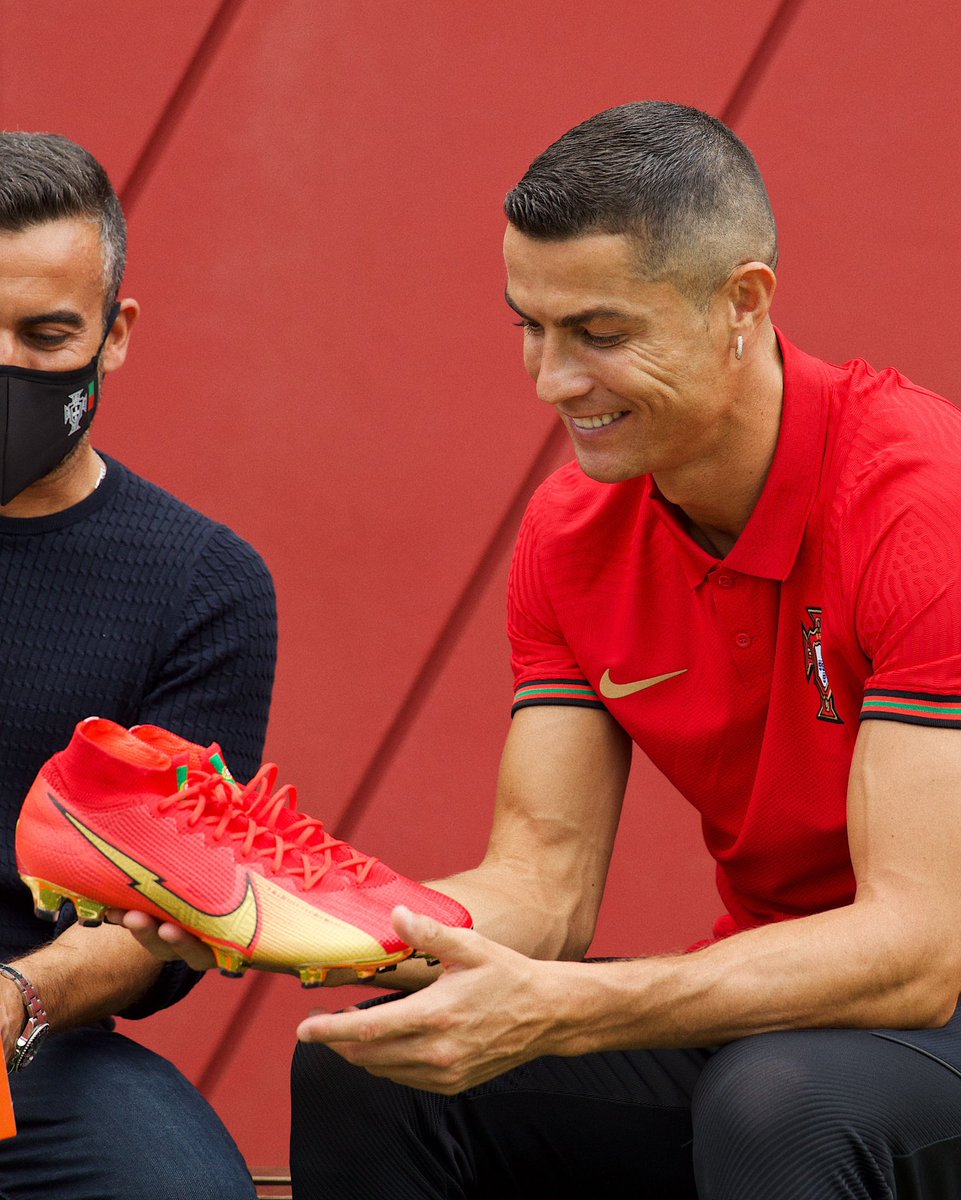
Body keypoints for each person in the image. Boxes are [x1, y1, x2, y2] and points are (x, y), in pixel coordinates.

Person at [134, 101, 961, 1197]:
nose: (551, 379)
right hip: (786, 1014)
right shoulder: (571, 533)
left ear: (742, 303)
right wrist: (296, 921)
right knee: (378, 1072)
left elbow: (916, 954)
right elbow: (543, 890)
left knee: (777, 1103)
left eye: (599, 335)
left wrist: (571, 1009)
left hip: (915, 1007)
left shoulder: (921, 503)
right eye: (531, 325)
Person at [0, 132, 276, 1199]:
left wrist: (19, 997)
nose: (9, 368)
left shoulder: (201, 584)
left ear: (114, 336)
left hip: (32, 1038)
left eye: (46, 334)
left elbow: (162, 911)